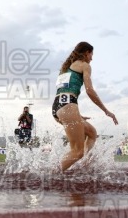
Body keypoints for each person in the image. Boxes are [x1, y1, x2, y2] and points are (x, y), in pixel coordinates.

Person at [52, 42, 118, 172]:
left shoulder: (65, 68)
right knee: (77, 151)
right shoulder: (84, 66)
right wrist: (106, 111)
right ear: (86, 53)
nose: (92, 58)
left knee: (92, 133)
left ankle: (83, 166)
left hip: (58, 107)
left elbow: (63, 92)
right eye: (91, 54)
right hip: (67, 106)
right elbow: (90, 91)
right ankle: (51, 174)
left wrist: (76, 115)